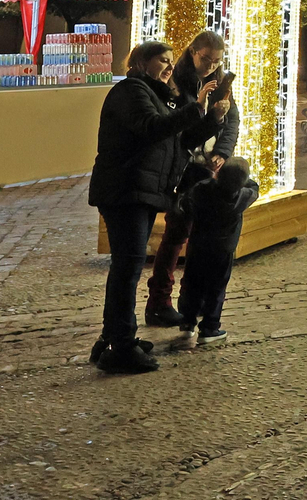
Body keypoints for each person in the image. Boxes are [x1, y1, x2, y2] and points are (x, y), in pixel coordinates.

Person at [88, 41, 228, 374]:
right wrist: (196, 107)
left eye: (170, 61)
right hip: (125, 191)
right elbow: (152, 129)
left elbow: (178, 141)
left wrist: (212, 119)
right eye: (162, 60)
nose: (169, 67)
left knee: (128, 268)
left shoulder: (157, 96)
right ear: (141, 62)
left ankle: (113, 337)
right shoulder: (131, 91)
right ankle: (121, 347)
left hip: (144, 191)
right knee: (127, 268)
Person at [146, 30, 241, 326]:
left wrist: (222, 152)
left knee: (203, 238)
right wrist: (210, 116)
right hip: (184, 168)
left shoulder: (221, 83)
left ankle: (192, 300)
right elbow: (183, 133)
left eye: (217, 61)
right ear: (192, 52)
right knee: (176, 234)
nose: (212, 65)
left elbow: (232, 121)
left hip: (209, 166)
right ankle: (159, 300)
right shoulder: (177, 82)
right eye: (206, 59)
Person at [176, 157, 259, 345]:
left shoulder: (202, 189)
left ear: (219, 174)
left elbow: (186, 203)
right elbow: (254, 186)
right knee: (216, 287)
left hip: (198, 245)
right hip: (223, 249)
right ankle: (210, 327)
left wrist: (212, 176)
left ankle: (187, 322)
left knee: (192, 283)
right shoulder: (244, 195)